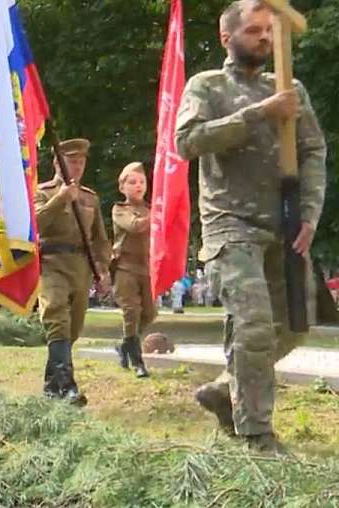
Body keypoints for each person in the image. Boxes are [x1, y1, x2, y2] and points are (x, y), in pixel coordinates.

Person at [175, 0, 326, 452]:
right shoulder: (208, 85)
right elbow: (188, 141)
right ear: (227, 37)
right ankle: (256, 433)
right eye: (254, 30)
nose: (264, 38)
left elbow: (313, 151)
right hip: (229, 223)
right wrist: (260, 113)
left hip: (284, 222)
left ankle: (226, 388)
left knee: (298, 322)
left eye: (269, 31)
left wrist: (309, 214)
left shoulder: (290, 88)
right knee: (255, 324)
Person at [34, 138, 112, 405]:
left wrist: (102, 270)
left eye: (81, 162)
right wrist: (60, 199)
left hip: (81, 267)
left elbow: (100, 239)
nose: (77, 166)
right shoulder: (42, 192)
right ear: (57, 162)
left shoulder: (90, 197)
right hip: (51, 264)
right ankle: (67, 386)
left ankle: (51, 387)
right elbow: (35, 226)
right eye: (71, 161)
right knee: (56, 316)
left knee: (73, 328)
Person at [110, 162, 155, 378]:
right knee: (132, 311)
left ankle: (125, 345)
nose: (138, 186)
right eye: (132, 182)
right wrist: (156, 216)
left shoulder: (150, 209)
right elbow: (135, 226)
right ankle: (138, 362)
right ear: (122, 187)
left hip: (146, 267)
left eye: (142, 182)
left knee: (149, 312)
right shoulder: (120, 209)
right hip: (125, 267)